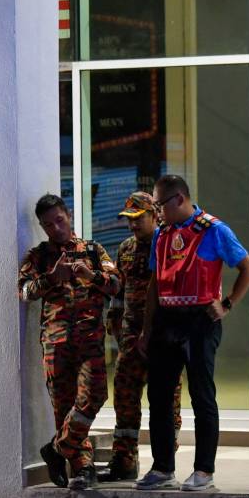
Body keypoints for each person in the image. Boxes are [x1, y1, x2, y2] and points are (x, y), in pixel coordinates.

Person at [136, 175, 249, 492]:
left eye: (159, 205)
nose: (157, 212)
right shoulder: (162, 234)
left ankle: (204, 471)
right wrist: (147, 329)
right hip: (166, 320)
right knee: (159, 397)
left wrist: (227, 304)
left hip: (199, 321)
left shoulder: (214, 229)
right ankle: (162, 469)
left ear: (178, 199)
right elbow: (154, 284)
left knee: (202, 396)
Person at [18, 194, 120, 490]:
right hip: (56, 341)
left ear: (69, 215)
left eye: (59, 221)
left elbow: (116, 285)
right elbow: (24, 292)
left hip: (90, 340)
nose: (55, 228)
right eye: (48, 225)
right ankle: (82, 467)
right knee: (64, 408)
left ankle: (56, 449)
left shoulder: (93, 251)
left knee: (94, 395)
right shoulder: (38, 256)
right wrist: (51, 278)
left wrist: (91, 275)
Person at [100, 192, 182, 482]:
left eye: (138, 218)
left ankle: (165, 462)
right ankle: (124, 460)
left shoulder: (169, 246)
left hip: (163, 339)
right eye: (129, 220)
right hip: (131, 339)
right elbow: (120, 291)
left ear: (154, 216)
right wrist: (113, 318)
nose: (133, 225)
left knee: (166, 402)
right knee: (124, 395)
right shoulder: (125, 249)